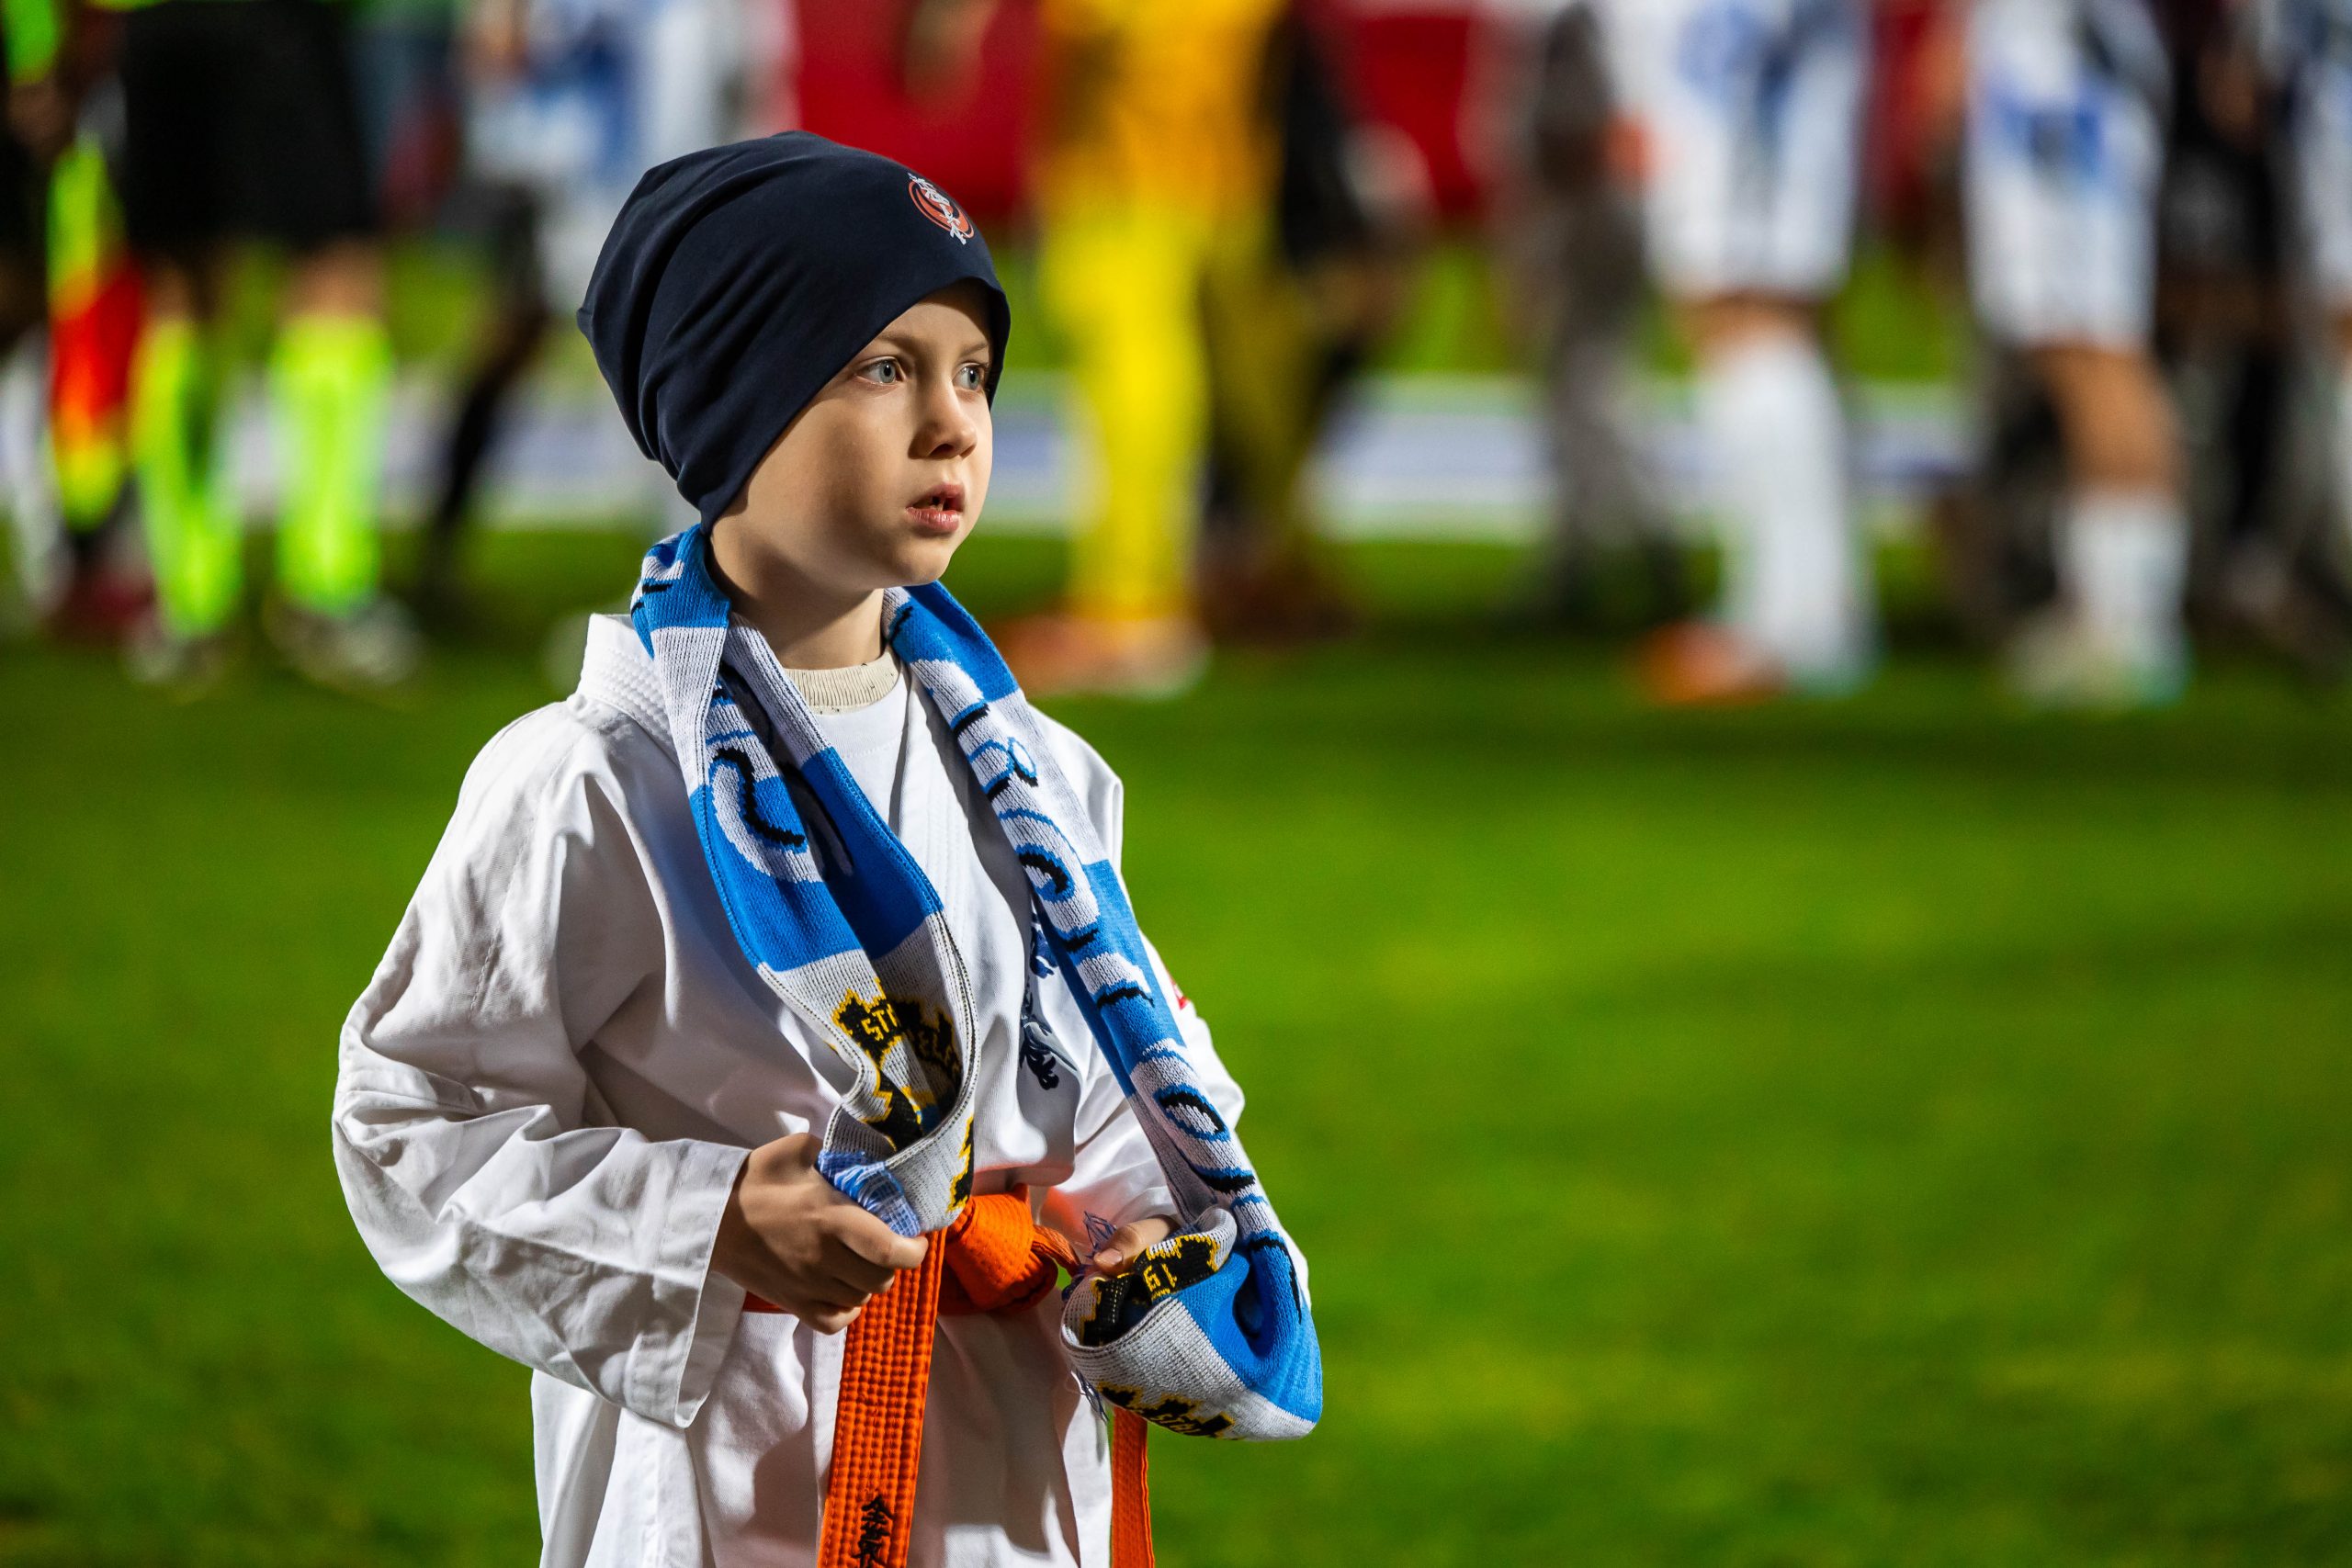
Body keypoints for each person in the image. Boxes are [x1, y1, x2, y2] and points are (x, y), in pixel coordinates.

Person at [331, 135, 1318, 1567]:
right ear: (734, 401)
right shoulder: (598, 777)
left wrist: (1159, 1226)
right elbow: (412, 1123)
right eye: (883, 367)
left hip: (1013, 1476)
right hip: (740, 1480)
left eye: (975, 372)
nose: (952, 424)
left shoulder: (1036, 770)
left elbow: (1111, 1062)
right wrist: (715, 1221)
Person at [908, 0, 1290, 697]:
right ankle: (1230, 565)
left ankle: (1134, 607)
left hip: (1132, 113)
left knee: (1131, 331)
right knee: (1203, 333)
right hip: (1205, 104)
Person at [62, 0, 419, 687]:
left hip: (198, 23)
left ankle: (216, 601)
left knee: (209, 292)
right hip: (230, 23)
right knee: (306, 279)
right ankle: (297, 594)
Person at [1602, 0, 1876, 703]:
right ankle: (1785, 605)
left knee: (1750, 311)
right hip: (1726, 67)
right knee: (1737, 316)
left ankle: (1801, 620)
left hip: (1741, 67)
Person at [1965, 0, 2188, 704]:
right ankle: (2109, 609)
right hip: (2050, 75)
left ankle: (2134, 621)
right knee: (2069, 343)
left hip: (2072, 80)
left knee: (2100, 347)